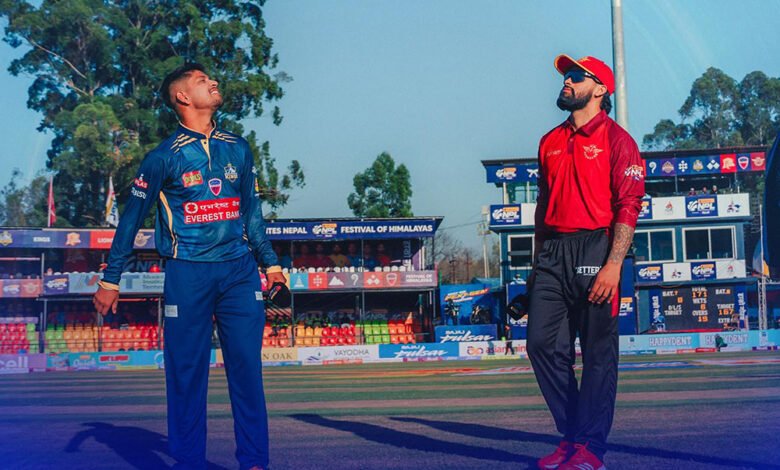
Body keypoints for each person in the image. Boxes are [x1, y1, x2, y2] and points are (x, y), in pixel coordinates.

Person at [92, 63, 283, 470]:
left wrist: (271, 265)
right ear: (182, 96)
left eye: (210, 79)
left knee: (247, 372)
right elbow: (130, 221)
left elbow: (252, 214)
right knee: (186, 374)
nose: (213, 82)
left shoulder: (238, 148)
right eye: (201, 81)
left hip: (238, 272)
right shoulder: (162, 158)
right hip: (187, 272)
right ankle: (189, 462)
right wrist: (111, 279)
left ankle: (254, 462)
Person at [527, 54, 644, 470]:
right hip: (553, 252)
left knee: (598, 355)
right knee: (540, 345)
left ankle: (590, 449)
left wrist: (614, 264)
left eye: (576, 76)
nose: (567, 81)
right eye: (565, 75)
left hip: (598, 247)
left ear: (600, 89)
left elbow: (629, 205)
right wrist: (536, 264)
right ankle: (574, 435)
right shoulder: (549, 141)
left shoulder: (618, 141)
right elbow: (543, 207)